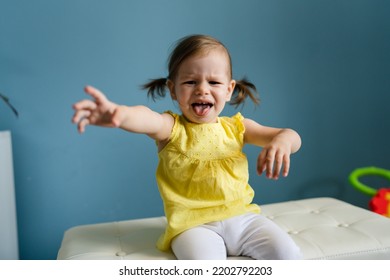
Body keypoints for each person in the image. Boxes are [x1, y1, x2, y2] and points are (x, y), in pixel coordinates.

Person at [72, 34, 302, 260]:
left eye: (213, 82)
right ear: (173, 89)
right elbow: (146, 118)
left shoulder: (237, 128)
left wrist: (282, 141)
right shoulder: (171, 128)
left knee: (288, 253)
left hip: (243, 218)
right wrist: (119, 114)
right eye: (191, 81)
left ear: (229, 89)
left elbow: (291, 136)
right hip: (193, 226)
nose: (202, 89)